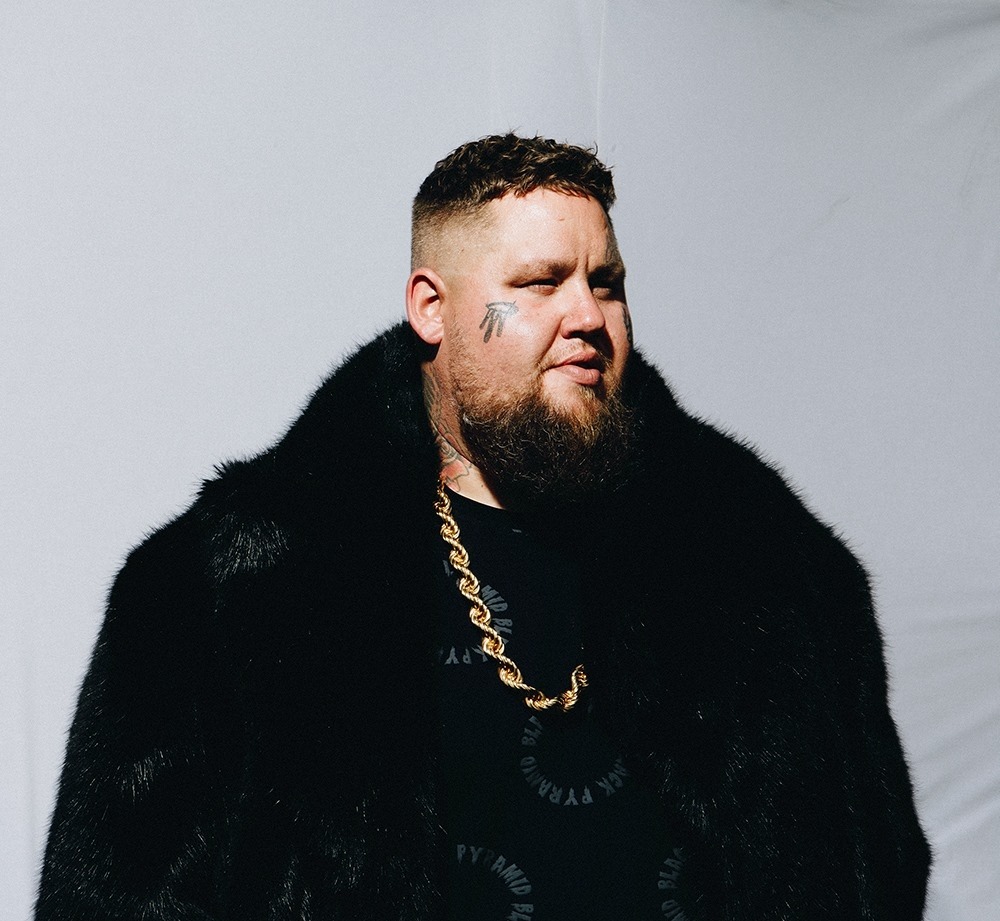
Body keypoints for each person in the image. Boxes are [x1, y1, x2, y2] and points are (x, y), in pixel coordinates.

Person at [36, 134, 930, 920]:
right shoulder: (234, 586)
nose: (587, 317)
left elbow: (878, 867)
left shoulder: (767, 568)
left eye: (607, 284)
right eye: (539, 283)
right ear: (432, 308)